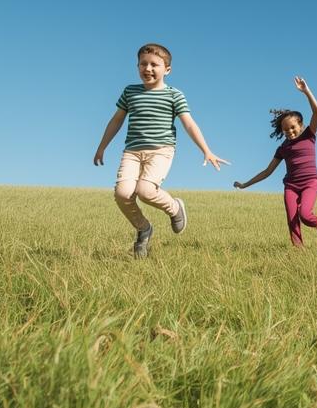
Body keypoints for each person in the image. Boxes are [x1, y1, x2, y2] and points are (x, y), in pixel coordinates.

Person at [93, 42, 228, 258]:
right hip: (132, 152)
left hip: (161, 150)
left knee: (146, 191)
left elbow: (189, 124)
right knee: (122, 193)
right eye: (143, 64)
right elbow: (116, 120)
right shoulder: (130, 92)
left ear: (167, 69)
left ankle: (175, 208)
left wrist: (207, 150)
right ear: (137, 66)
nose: (147, 69)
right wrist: (102, 147)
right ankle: (143, 229)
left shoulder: (174, 95)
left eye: (154, 65)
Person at [233, 78, 317, 247]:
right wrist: (244, 185)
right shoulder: (283, 148)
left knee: (305, 215)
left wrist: (306, 91)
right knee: (292, 220)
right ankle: (298, 253)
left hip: (310, 183)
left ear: (301, 125)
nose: (290, 132)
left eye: (293, 127)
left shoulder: (309, 135)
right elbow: (267, 172)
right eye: (286, 130)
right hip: (291, 186)